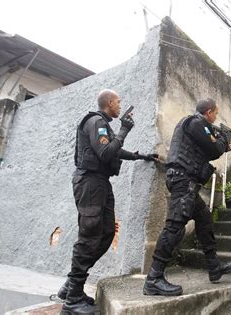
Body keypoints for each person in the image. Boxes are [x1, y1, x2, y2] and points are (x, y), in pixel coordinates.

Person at [59, 89, 158, 314]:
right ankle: (72, 298)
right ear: (110, 103)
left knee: (106, 234)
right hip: (90, 183)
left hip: (100, 183)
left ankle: (71, 286)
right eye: (118, 102)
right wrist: (124, 129)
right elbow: (105, 153)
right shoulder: (96, 122)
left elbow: (114, 150)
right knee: (90, 235)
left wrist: (140, 156)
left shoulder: (103, 124)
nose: (120, 107)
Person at [143, 98, 231, 296]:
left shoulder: (198, 127)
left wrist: (223, 142)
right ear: (208, 112)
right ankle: (154, 278)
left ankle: (214, 267)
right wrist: (224, 140)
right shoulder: (195, 123)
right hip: (183, 180)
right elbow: (214, 149)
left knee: (204, 220)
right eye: (215, 113)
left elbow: (208, 152)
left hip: (188, 183)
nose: (216, 117)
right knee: (175, 227)